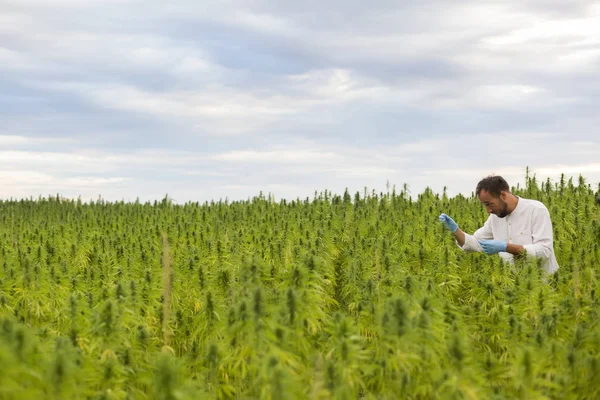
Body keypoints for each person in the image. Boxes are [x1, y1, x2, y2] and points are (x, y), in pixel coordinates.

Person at [439, 175, 559, 274]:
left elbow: (544, 251)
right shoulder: (495, 218)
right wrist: (455, 230)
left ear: (503, 195)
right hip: (512, 287)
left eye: (489, 204)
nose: (488, 210)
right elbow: (474, 243)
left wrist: (506, 247)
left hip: (543, 287)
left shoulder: (536, 210)